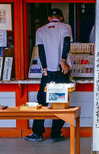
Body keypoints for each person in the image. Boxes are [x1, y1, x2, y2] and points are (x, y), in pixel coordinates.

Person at [26, 8, 72, 142]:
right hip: (61, 70)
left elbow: (40, 50)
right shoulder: (65, 27)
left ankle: (38, 133)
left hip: (47, 72)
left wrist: (44, 68)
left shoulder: (40, 30)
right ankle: (55, 134)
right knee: (61, 103)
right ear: (61, 17)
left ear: (48, 18)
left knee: (42, 102)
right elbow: (66, 43)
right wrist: (63, 61)